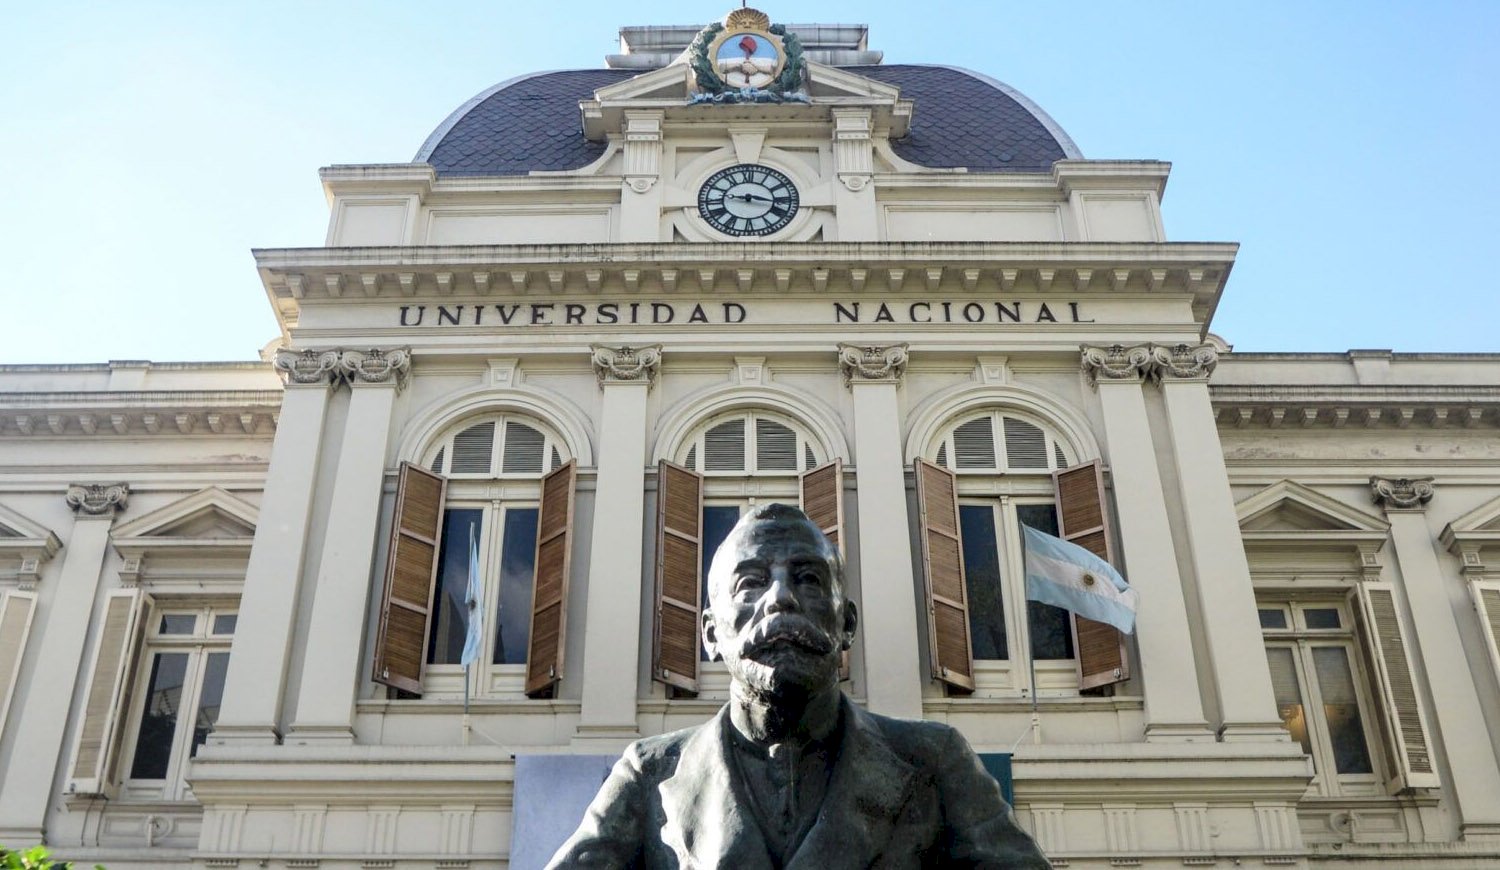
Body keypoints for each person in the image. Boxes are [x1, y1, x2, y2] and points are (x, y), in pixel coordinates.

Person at [548, 503, 1052, 868]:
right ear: (710, 635)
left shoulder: (932, 761)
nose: (780, 599)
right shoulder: (650, 774)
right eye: (750, 583)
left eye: (808, 579)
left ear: (846, 624)